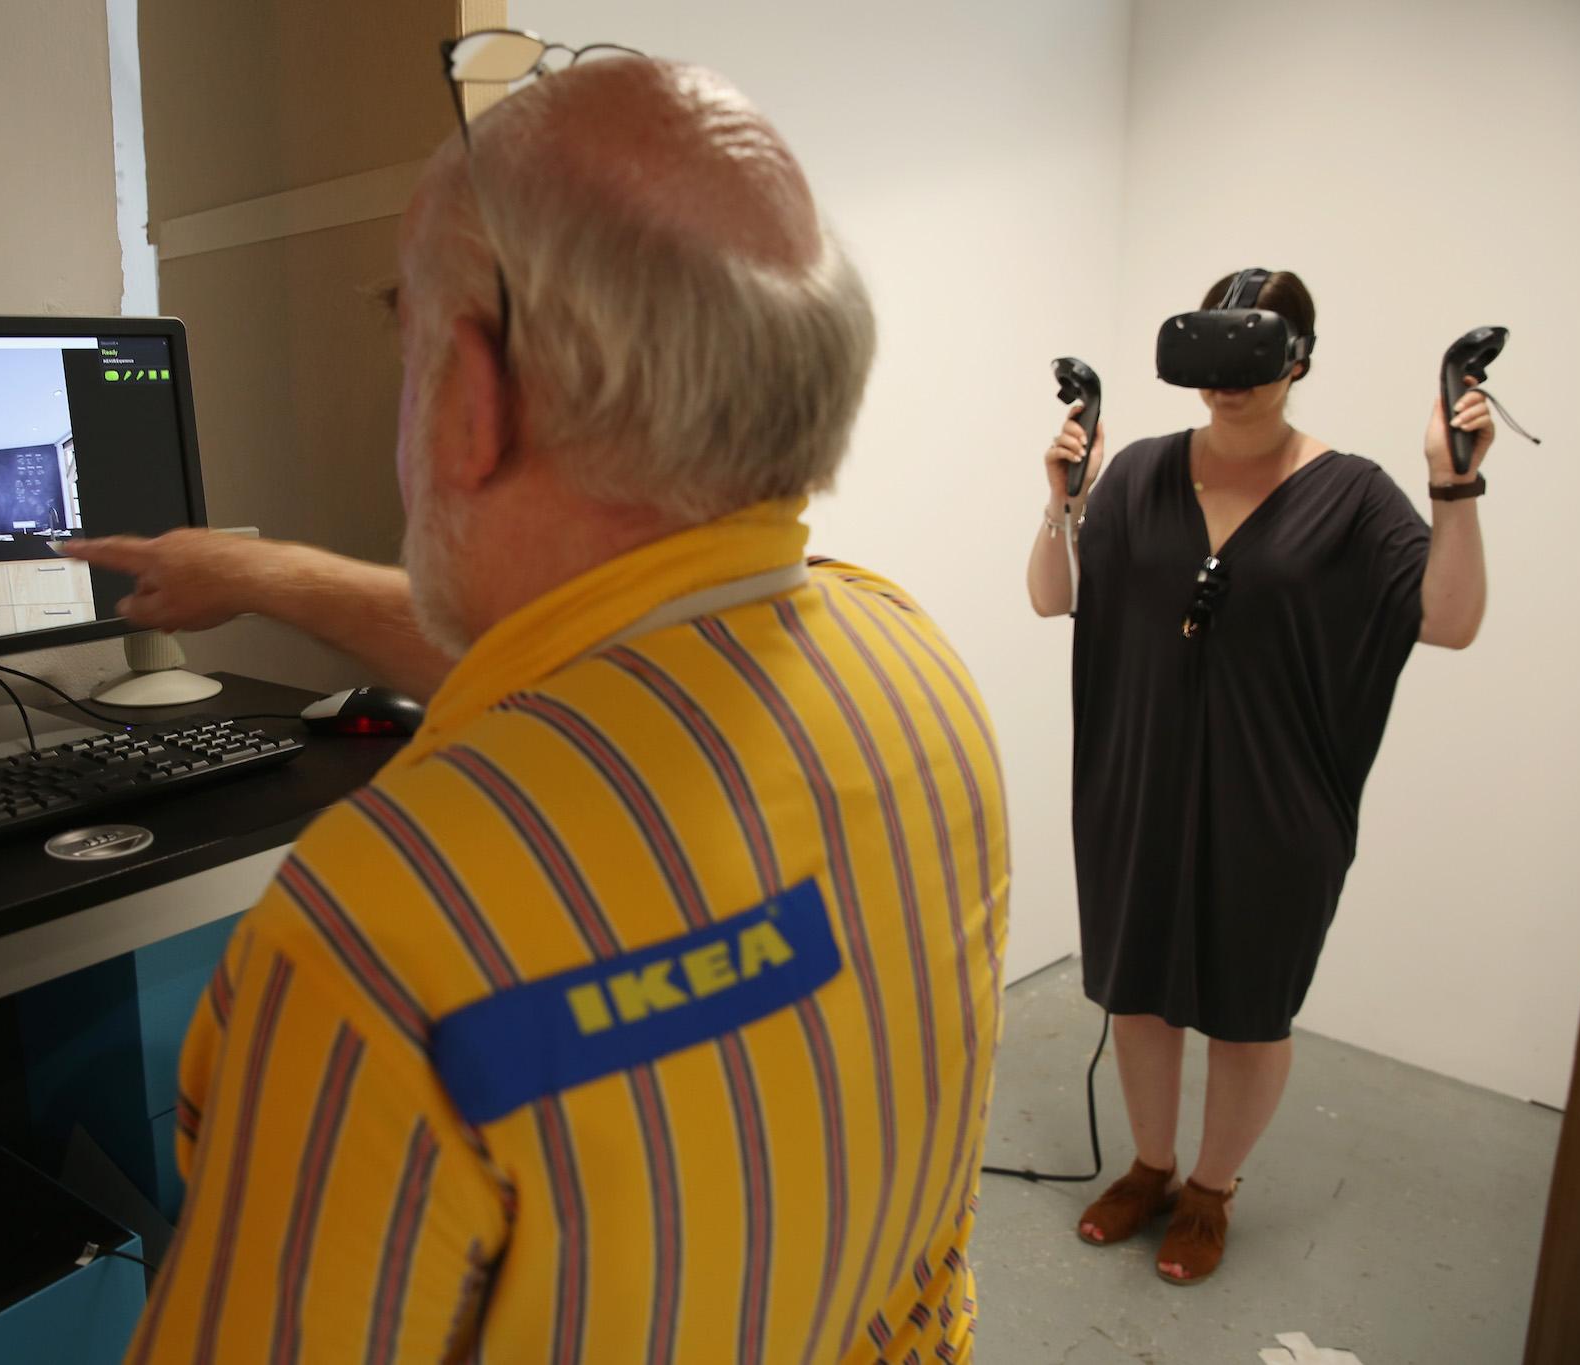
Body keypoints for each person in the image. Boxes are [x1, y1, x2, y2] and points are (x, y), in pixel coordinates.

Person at [77, 51, 1006, 1365]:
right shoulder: (909, 661)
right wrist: (257, 574)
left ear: (471, 394)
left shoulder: (376, 938)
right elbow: (595, 673)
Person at [1025, 270, 1495, 1286]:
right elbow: (1049, 595)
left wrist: (1449, 486)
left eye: (1253, 351)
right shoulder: (1141, 471)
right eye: (1208, 350)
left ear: (1298, 358)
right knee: (1140, 995)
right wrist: (1061, 501)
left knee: (1246, 1008)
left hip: (1275, 800)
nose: (1225, 379)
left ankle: (1209, 1189)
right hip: (1135, 780)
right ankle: (1149, 1166)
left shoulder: (1353, 492)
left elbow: (1448, 622)